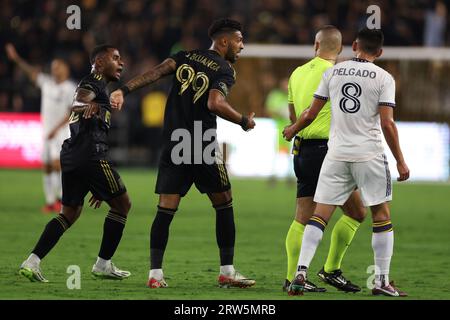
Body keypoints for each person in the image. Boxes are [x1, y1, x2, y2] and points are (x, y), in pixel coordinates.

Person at [109, 18, 256, 289]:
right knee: (224, 202)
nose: (242, 46)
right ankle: (227, 271)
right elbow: (215, 102)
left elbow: (155, 72)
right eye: (239, 40)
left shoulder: (184, 56)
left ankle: (155, 275)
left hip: (175, 142)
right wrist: (243, 121)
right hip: (201, 142)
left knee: (166, 208)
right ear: (223, 41)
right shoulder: (225, 69)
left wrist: (124, 89)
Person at [283, 28, 409, 297]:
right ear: (381, 52)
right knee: (379, 216)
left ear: (354, 46)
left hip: (334, 154)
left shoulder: (332, 73)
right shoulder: (385, 78)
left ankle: (300, 272)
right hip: (368, 154)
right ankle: (381, 281)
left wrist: (293, 129)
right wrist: (400, 160)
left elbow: (309, 113)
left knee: (317, 216)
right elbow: (387, 122)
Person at [19, 45, 132, 282]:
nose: (121, 63)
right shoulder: (94, 81)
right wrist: (86, 105)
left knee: (69, 213)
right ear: (99, 63)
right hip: (91, 155)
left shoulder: (100, 86)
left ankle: (32, 262)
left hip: (73, 155)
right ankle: (103, 264)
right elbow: (78, 102)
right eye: (115, 58)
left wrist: (100, 187)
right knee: (122, 205)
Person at [283, 25, 367, 294]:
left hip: (302, 151)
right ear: (340, 49)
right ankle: (331, 269)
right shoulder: (337, 75)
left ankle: (291, 277)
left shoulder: (296, 73)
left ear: (315, 45)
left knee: (302, 217)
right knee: (356, 212)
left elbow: (293, 112)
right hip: (328, 152)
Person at [5, 44, 77, 213]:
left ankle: (61, 199)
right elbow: (30, 72)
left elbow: (72, 112)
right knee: (46, 166)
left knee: (57, 164)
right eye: (53, 68)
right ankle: (50, 201)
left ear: (65, 68)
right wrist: (16, 59)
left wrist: (56, 129)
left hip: (61, 133)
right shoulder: (47, 83)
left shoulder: (70, 88)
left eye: (57, 67)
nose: (54, 70)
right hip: (46, 133)